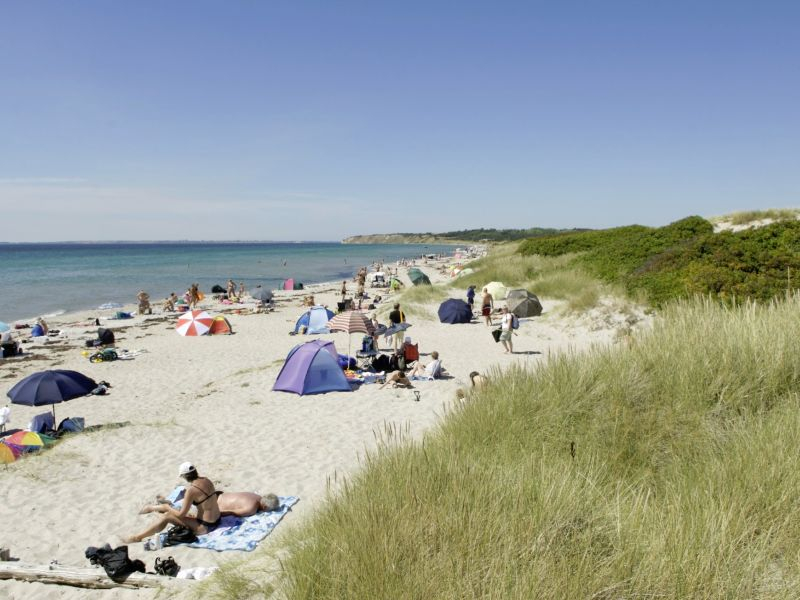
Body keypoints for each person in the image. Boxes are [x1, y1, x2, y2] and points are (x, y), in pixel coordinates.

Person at [124, 462, 222, 543]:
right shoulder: (206, 480)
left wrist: (167, 507)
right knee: (178, 508)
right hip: (217, 519)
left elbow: (181, 515)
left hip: (205, 527)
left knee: (167, 516)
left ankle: (138, 537)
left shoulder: (191, 490)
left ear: (184, 476)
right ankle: (151, 508)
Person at [146, 491, 280, 518]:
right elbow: (230, 513)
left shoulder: (255, 495)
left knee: (188, 498)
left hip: (215, 494)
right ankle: (155, 507)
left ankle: (169, 500)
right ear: (266, 507)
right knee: (184, 509)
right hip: (211, 504)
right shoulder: (252, 508)